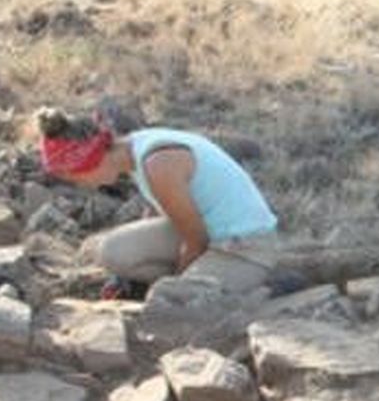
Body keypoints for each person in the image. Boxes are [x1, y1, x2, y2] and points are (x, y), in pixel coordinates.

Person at [35, 107, 279, 296]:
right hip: (205, 228)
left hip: (244, 245)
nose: (82, 185)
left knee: (176, 302)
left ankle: (257, 289)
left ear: (88, 162)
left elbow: (196, 241)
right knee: (113, 253)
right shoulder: (133, 147)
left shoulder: (158, 164)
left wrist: (173, 286)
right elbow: (162, 207)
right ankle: (199, 279)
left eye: (76, 178)